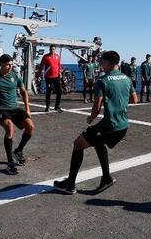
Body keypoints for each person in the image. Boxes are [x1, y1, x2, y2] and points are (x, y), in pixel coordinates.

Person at [54, 50, 137, 195]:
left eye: (102, 61)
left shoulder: (102, 81)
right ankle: (106, 178)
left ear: (109, 63)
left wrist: (91, 118)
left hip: (110, 126)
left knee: (78, 144)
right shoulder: (126, 79)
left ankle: (70, 184)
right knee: (98, 142)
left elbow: (97, 108)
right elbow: (134, 99)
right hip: (123, 126)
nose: (100, 64)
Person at [37, 45, 62, 112]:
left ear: (55, 50)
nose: (52, 50)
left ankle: (57, 106)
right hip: (48, 77)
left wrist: (60, 72)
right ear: (49, 49)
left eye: (53, 49)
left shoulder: (57, 56)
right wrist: (39, 75)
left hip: (56, 77)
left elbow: (59, 65)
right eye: (51, 49)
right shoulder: (45, 57)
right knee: (49, 91)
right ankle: (47, 107)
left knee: (59, 91)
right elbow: (41, 66)